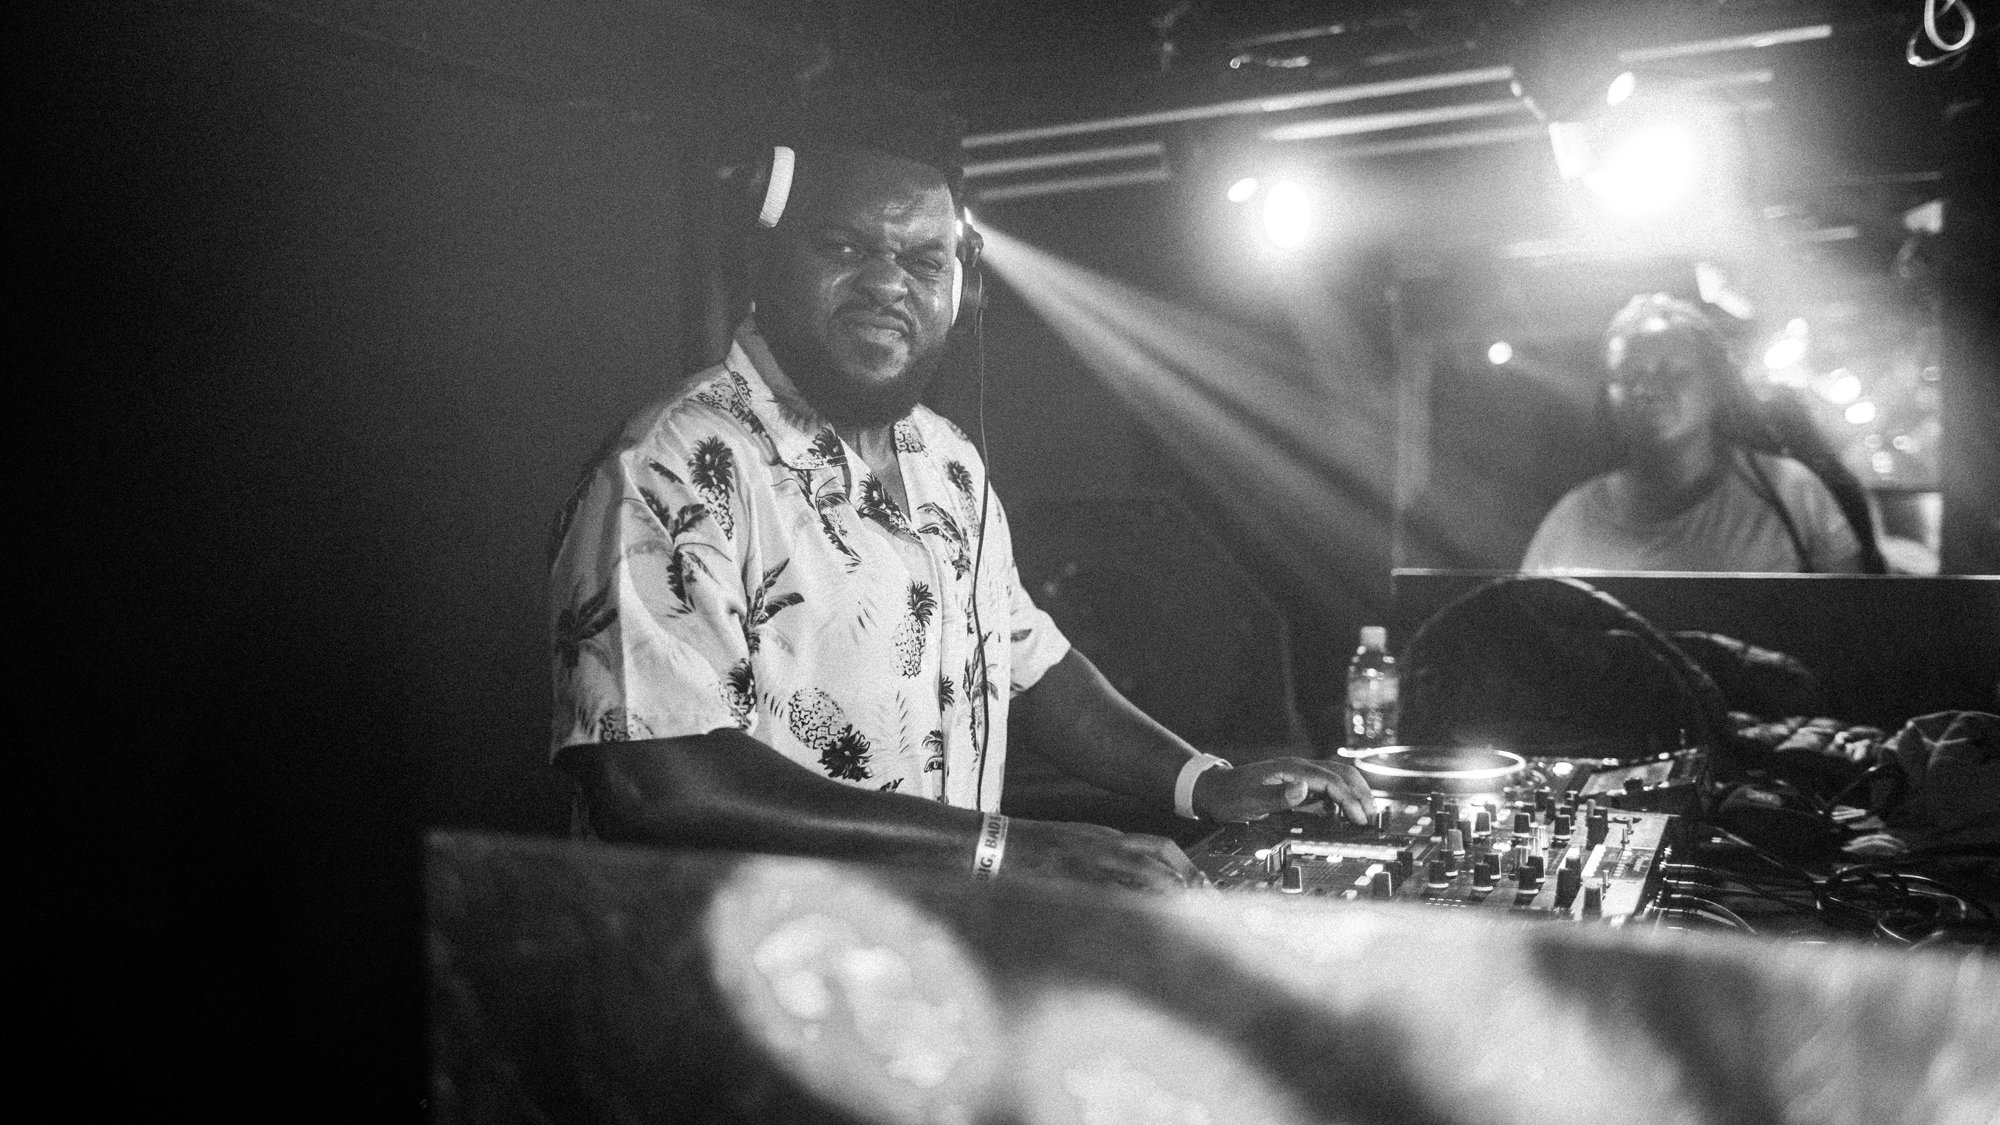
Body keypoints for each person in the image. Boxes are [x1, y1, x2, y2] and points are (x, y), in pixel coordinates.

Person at [547, 82, 1370, 892]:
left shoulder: (947, 463)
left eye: (921, 258)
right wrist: (1003, 849)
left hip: (915, 970)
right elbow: (655, 780)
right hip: (725, 993)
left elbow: (1032, 669)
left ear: (959, 286)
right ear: (767, 259)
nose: (886, 283)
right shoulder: (670, 465)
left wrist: (1203, 780)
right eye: (842, 246)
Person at [1521, 293, 1882, 574]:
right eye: (1628, 375)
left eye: (1672, 371)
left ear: (1715, 386)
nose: (1648, 388)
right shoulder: (1572, 519)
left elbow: (1850, 635)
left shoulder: (1791, 494)